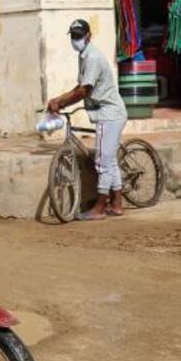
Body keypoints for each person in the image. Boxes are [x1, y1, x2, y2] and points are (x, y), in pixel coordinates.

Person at [47, 19, 128, 221]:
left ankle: (99, 207)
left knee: (102, 162)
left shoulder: (92, 57)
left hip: (109, 114)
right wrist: (60, 100)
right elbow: (80, 86)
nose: (76, 40)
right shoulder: (84, 56)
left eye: (79, 36)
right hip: (105, 112)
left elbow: (85, 90)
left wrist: (61, 103)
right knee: (109, 161)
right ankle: (117, 204)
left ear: (89, 36)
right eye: (73, 37)